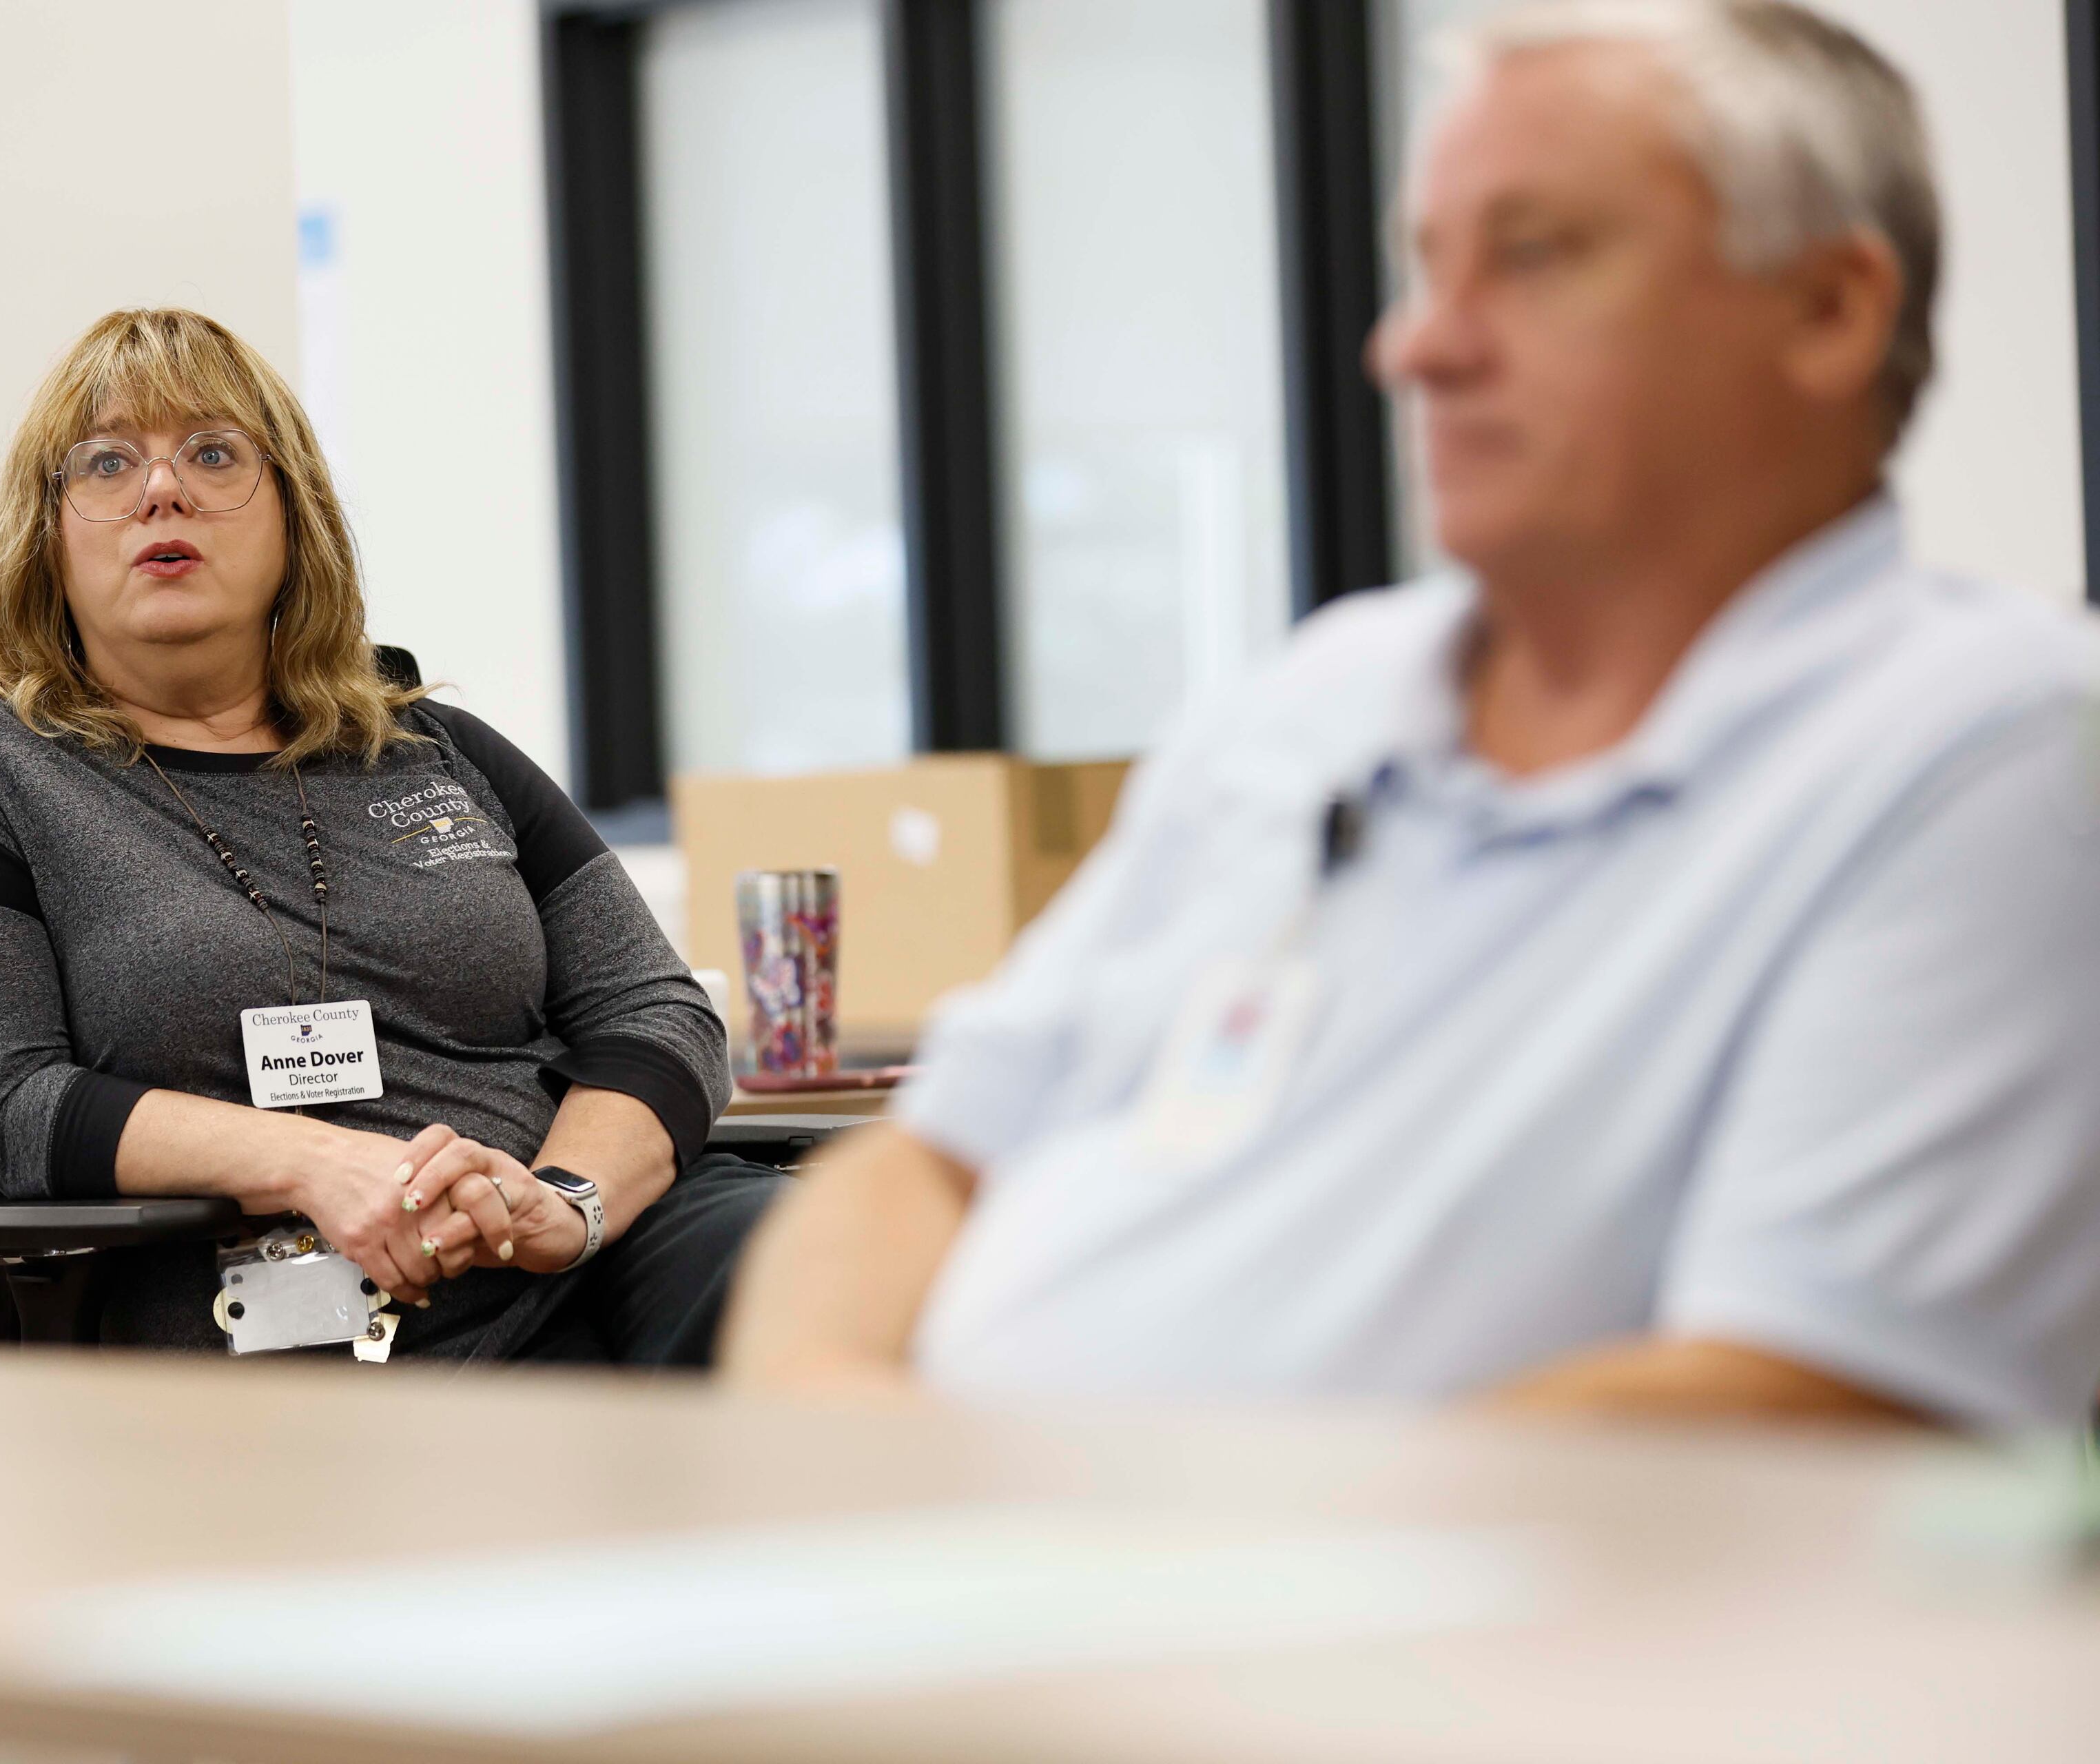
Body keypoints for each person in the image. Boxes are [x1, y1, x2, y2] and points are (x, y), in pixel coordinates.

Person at [722, 0, 2100, 1427]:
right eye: (1425, 266)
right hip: (936, 1568)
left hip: (1368, 1623)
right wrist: (827, 1431)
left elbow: (1798, 1392)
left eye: (1534, 255)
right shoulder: (1314, 697)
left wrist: (1086, 1552)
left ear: (1830, 311)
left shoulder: (1988, 747)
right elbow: (922, 1160)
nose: (1416, 348)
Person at [0, 307, 775, 1360]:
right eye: (106, 463)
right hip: (284, 1317)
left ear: (296, 520)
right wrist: (317, 1164)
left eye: (214, 454)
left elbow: (656, 1010)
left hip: (585, 1260)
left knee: (823, 1270)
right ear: (47, 534)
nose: (164, 490)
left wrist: (567, 1204)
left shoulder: (431, 746)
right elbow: (14, 1110)